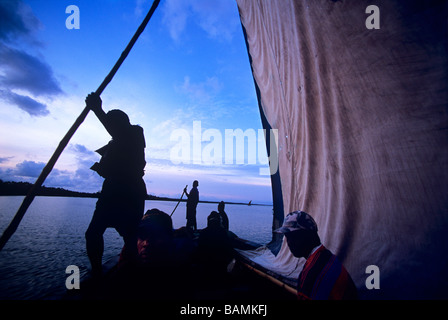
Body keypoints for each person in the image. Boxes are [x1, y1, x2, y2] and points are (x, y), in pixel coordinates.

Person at [84, 92, 147, 278]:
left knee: (130, 235)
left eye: (113, 122)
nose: (110, 127)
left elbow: (120, 133)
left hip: (130, 191)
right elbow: (106, 169)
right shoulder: (112, 145)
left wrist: (97, 109)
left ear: (122, 122)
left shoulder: (136, 131)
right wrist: (101, 169)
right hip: (111, 190)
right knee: (93, 233)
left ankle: (133, 272)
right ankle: (96, 272)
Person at [275, 211, 358, 300]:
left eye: (294, 236)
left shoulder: (312, 275)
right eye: (287, 237)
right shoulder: (327, 257)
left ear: (309, 235)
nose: (289, 243)